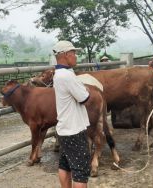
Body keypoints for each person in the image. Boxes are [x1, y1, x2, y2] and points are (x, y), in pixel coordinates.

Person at [52, 40, 91, 188]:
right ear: (66, 54)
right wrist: (86, 89)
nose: (76, 56)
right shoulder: (67, 76)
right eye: (74, 53)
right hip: (74, 129)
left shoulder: (61, 73)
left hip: (64, 129)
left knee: (65, 165)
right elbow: (85, 98)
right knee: (80, 171)